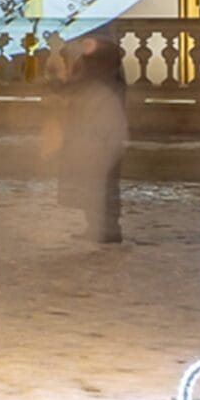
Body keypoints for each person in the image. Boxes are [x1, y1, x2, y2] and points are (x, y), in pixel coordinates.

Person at [51, 33, 128, 243]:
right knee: (96, 182)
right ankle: (100, 226)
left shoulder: (98, 73)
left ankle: (106, 228)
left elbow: (77, 92)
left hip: (96, 137)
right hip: (97, 136)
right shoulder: (105, 73)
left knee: (99, 182)